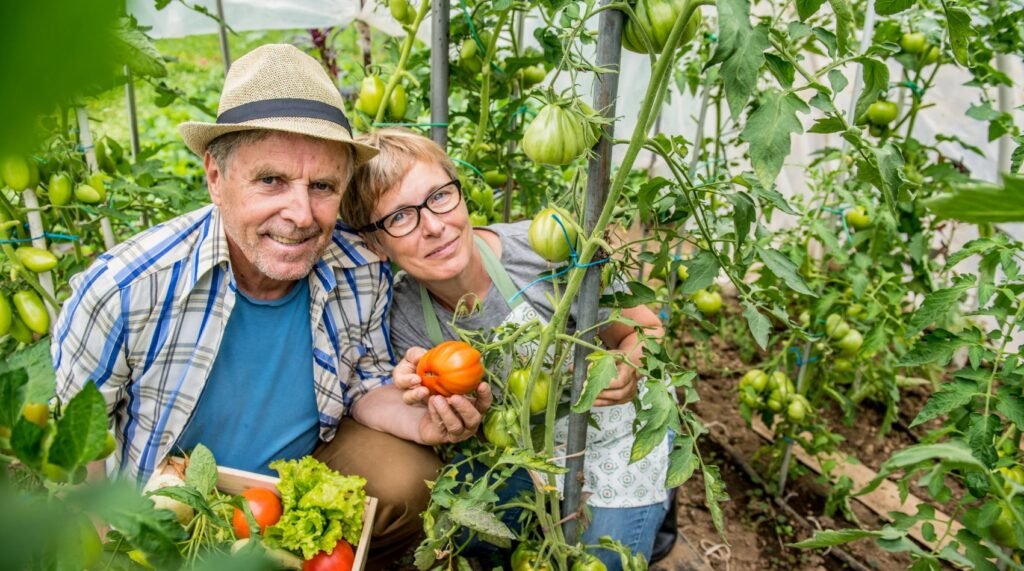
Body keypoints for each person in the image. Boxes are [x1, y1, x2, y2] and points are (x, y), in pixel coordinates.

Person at [52, 45, 490, 569]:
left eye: (323, 186)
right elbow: (78, 444)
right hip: (176, 498)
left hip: (303, 476)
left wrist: (422, 425)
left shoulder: (357, 265)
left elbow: (364, 384)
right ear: (215, 177)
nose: (301, 214)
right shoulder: (126, 288)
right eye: (271, 181)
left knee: (405, 474)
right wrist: (111, 548)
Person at [340, 128, 672, 569]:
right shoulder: (404, 316)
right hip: (523, 454)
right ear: (375, 243)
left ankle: (657, 504)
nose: (434, 226)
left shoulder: (543, 251)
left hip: (616, 440)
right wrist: (429, 399)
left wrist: (628, 365)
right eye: (400, 217)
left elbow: (645, 331)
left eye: (440, 196)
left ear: (460, 193)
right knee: (456, 530)